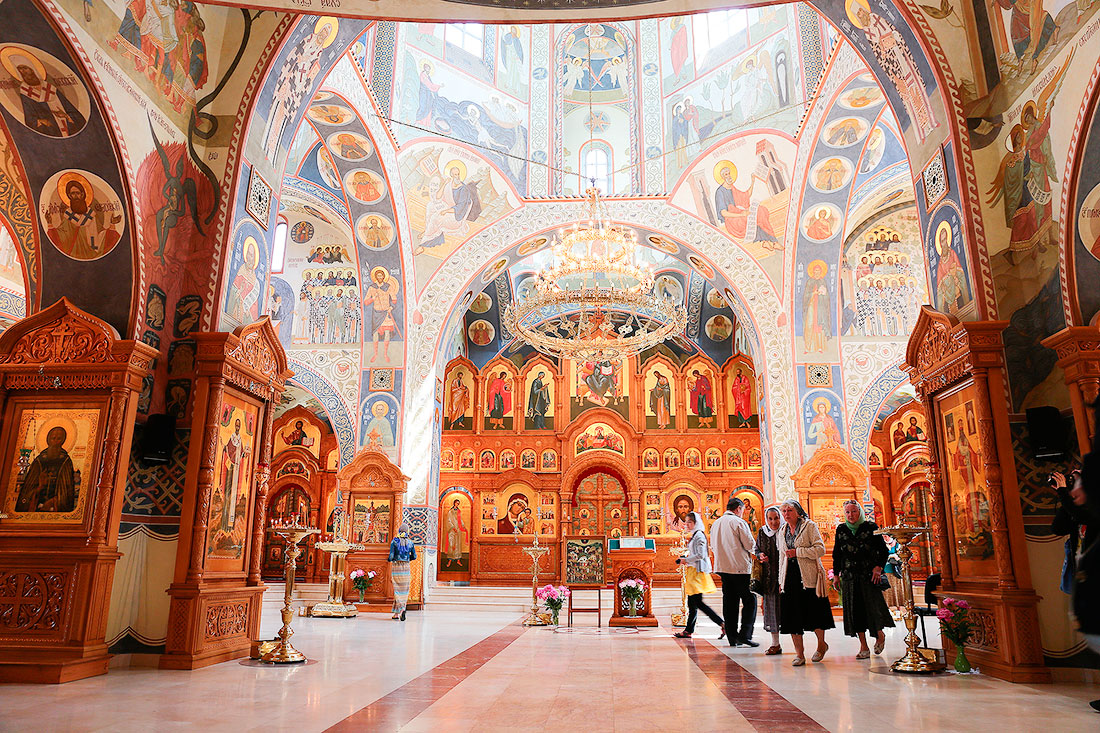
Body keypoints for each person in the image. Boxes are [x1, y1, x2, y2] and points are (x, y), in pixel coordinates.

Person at [833, 500, 894, 659]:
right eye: (847, 512)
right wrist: (836, 575)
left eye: (854, 511)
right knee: (855, 611)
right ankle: (863, 646)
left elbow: (883, 551)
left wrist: (878, 567)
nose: (850, 515)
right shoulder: (841, 529)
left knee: (872, 608)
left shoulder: (871, 527)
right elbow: (837, 554)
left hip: (868, 575)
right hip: (849, 576)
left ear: (859, 512)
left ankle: (879, 635)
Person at [777, 500, 833, 666]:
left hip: (808, 577)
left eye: (790, 510)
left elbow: (820, 549)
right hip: (789, 577)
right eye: (784, 511)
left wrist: (798, 552)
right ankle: (799, 654)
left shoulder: (809, 526)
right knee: (792, 616)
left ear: (798, 512)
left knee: (815, 614)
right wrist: (780, 580)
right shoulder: (782, 530)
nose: (786, 514)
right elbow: (782, 556)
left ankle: (821, 645)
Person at [711, 496, 759, 647]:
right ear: (738, 508)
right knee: (750, 600)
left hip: (723, 568)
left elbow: (713, 546)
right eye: (742, 510)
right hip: (740, 569)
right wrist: (759, 554)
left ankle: (732, 638)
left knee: (730, 603)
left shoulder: (716, 523)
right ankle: (745, 635)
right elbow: (750, 544)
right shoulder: (738, 522)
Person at [673, 512, 724, 640]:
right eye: (686, 522)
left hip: (697, 572)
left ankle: (722, 623)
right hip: (693, 571)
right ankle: (688, 630)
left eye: (690, 522)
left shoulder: (699, 535)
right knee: (692, 603)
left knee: (698, 603)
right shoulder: (695, 535)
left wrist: (685, 560)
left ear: (696, 523)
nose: (687, 524)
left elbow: (701, 555)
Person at [754, 507, 783, 654]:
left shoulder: (786, 530)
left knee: (788, 610)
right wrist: (760, 555)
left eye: (776, 518)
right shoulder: (762, 532)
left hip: (785, 576)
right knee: (771, 610)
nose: (773, 522)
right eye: (770, 519)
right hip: (769, 578)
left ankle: (799, 647)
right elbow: (757, 549)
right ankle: (775, 643)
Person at [388, 522, 417, 621]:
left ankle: (400, 610)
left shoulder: (394, 541)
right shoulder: (410, 543)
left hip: (396, 567)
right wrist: (408, 559)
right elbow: (414, 556)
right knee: (404, 590)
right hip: (406, 567)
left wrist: (390, 560)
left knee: (397, 590)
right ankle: (398, 612)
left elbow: (391, 556)